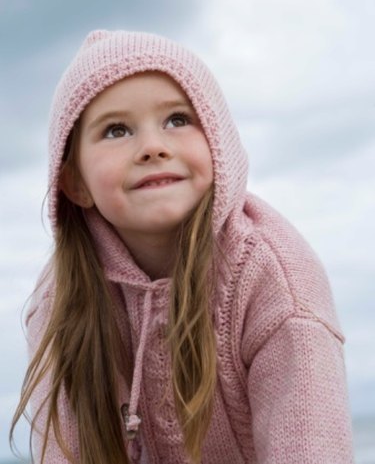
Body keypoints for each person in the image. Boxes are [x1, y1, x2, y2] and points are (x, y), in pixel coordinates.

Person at [11, 29, 354, 464]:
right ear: (75, 183)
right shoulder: (61, 300)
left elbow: (311, 450)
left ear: (219, 142)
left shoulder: (276, 281)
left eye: (177, 119)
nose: (153, 147)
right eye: (116, 130)